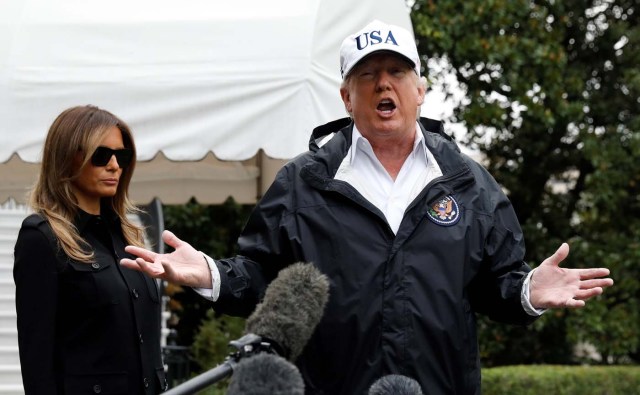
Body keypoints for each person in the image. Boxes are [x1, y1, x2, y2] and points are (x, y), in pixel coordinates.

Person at [121, 20, 613, 394]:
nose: (384, 84)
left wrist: (528, 289)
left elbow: (496, 285)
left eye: (397, 71)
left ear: (420, 90)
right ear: (346, 96)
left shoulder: (468, 183)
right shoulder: (304, 182)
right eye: (368, 74)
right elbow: (261, 277)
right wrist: (209, 274)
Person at [13, 105, 168, 394]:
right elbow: (37, 362)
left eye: (121, 156)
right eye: (101, 155)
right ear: (68, 157)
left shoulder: (129, 237)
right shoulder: (42, 238)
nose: (114, 165)